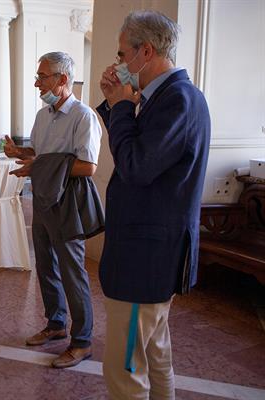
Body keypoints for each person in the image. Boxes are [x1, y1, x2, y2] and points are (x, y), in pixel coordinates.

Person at [97, 11, 210, 398]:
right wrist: (116, 104)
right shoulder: (160, 96)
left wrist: (123, 106)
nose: (118, 63)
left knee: (126, 367)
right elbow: (141, 153)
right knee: (155, 352)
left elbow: (136, 166)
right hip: (147, 255)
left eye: (122, 53)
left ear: (146, 50)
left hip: (144, 260)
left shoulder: (178, 99)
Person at [4, 51, 102, 368]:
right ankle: (56, 324)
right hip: (44, 199)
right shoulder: (43, 114)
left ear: (62, 79)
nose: (36, 83)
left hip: (68, 202)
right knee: (45, 266)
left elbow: (87, 166)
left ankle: (83, 341)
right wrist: (20, 152)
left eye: (42, 76)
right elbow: (42, 152)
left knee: (73, 273)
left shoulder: (83, 116)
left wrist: (39, 165)